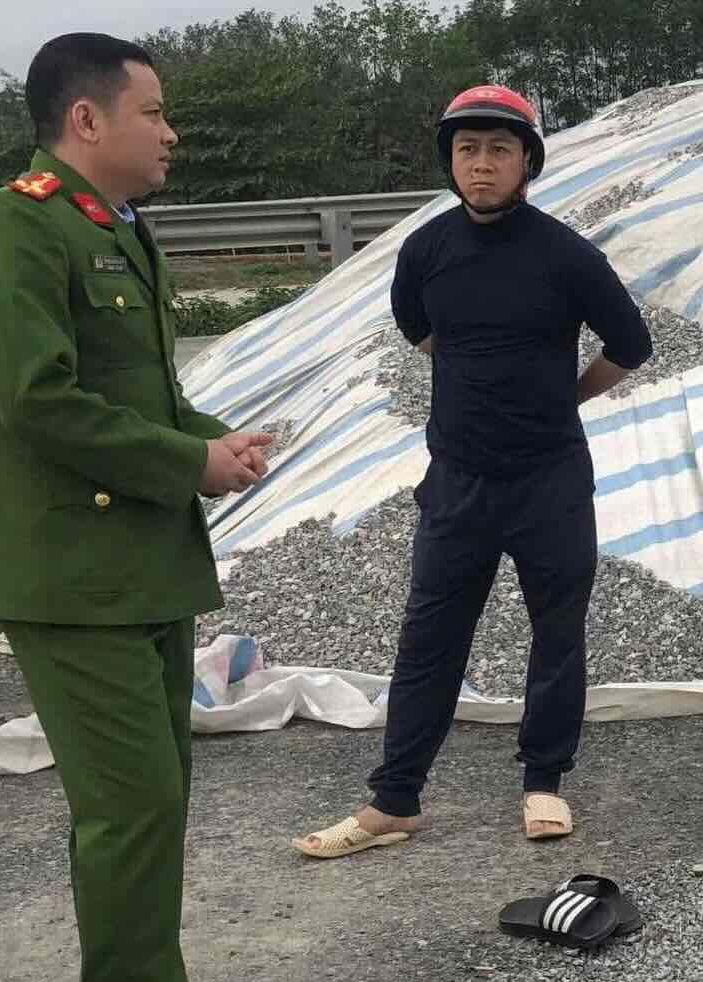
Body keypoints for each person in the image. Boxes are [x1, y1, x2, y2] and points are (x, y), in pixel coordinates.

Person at [0, 32, 277, 982]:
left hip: (140, 570)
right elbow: (39, 401)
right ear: (87, 122)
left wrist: (208, 439)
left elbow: (140, 391)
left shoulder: (115, 230)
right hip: (72, 582)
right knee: (130, 813)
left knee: (153, 814)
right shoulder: (16, 225)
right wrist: (185, 465)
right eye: (154, 111)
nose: (171, 130)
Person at [293, 85, 653, 859]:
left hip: (551, 482)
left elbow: (632, 343)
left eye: (498, 149)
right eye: (466, 150)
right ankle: (394, 802)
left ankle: (544, 783)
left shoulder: (567, 255)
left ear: (527, 161)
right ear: (449, 163)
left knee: (556, 635)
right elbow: (419, 330)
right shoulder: (426, 250)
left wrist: (564, 396)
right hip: (457, 483)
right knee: (430, 638)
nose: (481, 165)